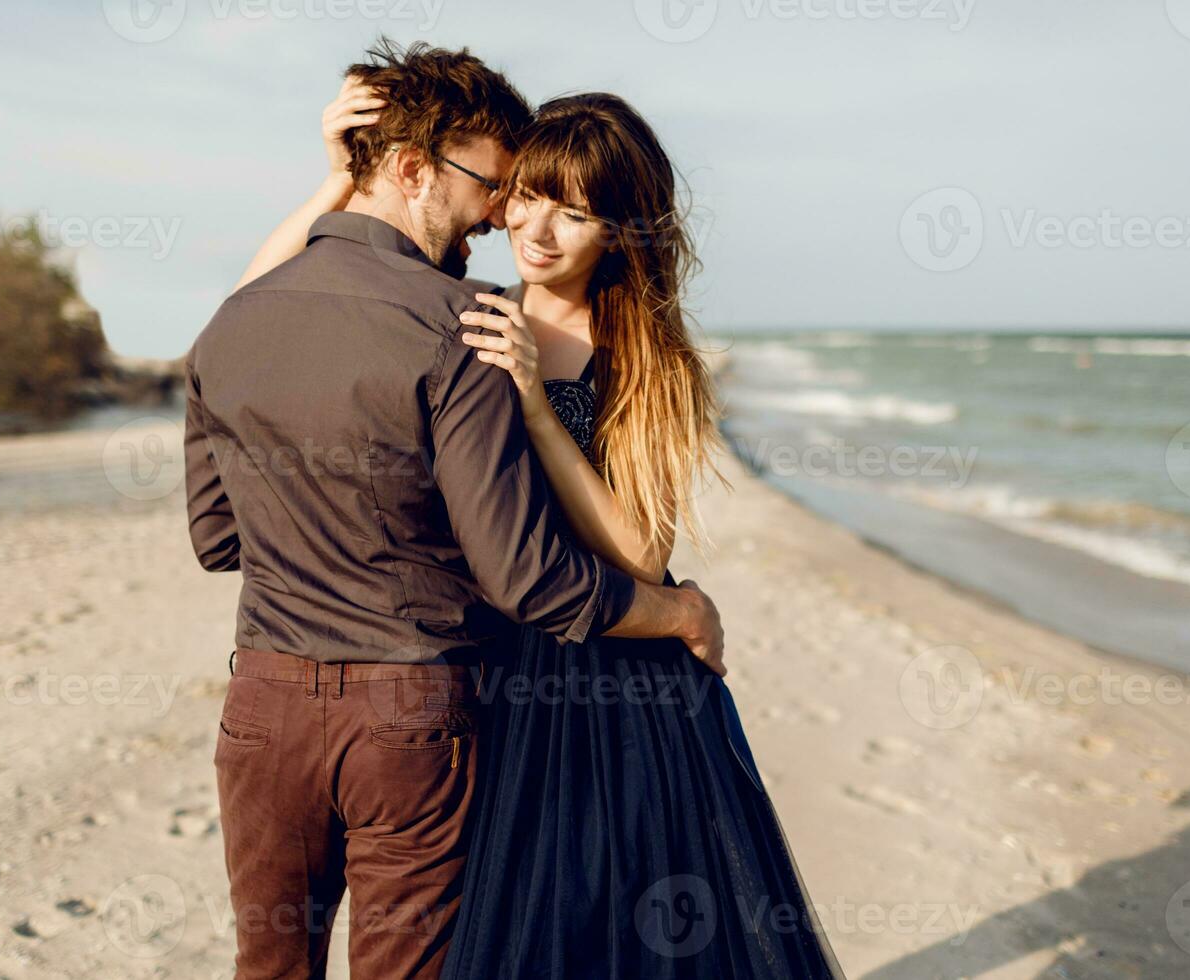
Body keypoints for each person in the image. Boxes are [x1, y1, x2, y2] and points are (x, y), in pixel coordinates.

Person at [235, 62, 846, 979]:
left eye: (573, 210)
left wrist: (532, 404)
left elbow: (644, 547)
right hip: (479, 667)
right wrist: (340, 177)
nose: (535, 228)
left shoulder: (649, 357)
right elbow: (260, 309)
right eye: (523, 197)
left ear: (620, 230)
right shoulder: (462, 306)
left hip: (614, 685)